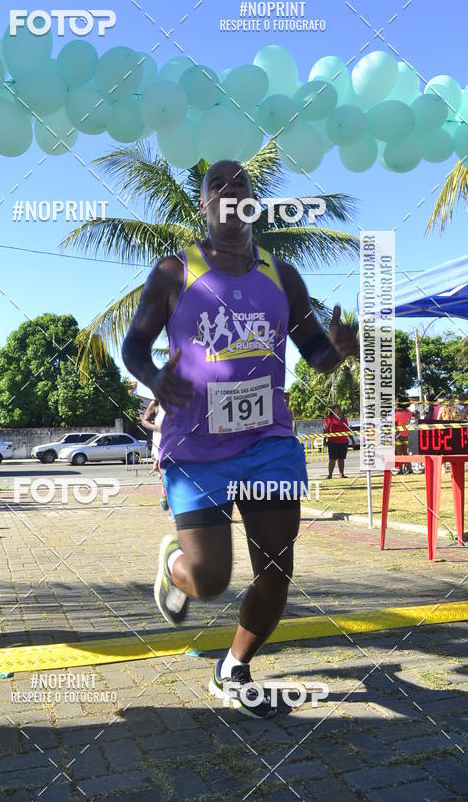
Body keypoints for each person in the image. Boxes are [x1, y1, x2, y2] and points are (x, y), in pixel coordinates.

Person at [122, 159, 358, 718]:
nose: (230, 189)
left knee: (276, 566)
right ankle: (176, 566)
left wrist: (339, 348)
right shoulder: (174, 272)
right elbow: (134, 347)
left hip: (268, 443)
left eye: (240, 184)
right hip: (196, 447)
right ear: (203, 206)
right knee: (209, 580)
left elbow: (315, 354)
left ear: (253, 205)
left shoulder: (284, 276)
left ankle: (234, 669)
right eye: (216, 185)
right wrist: (156, 378)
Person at [140, 399, 170, 513]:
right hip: (161, 445)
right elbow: (144, 421)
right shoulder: (156, 403)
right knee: (165, 473)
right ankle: (165, 493)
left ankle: (171, 498)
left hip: (179, 444)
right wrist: (157, 427)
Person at [324, 405, 350, 478]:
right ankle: (330, 475)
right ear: (333, 411)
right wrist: (324, 440)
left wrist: (353, 440)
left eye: (340, 408)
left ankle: (342, 474)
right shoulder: (329, 419)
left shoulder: (344, 419)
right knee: (332, 459)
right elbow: (325, 430)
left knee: (341, 459)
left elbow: (348, 429)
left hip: (344, 442)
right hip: (333, 442)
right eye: (337, 409)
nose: (339, 410)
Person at [394, 400, 412, 475]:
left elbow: (395, 424)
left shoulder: (397, 414)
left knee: (399, 453)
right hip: (408, 435)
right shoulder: (409, 412)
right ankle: (409, 468)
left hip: (399, 435)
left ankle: (400, 468)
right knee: (406, 453)